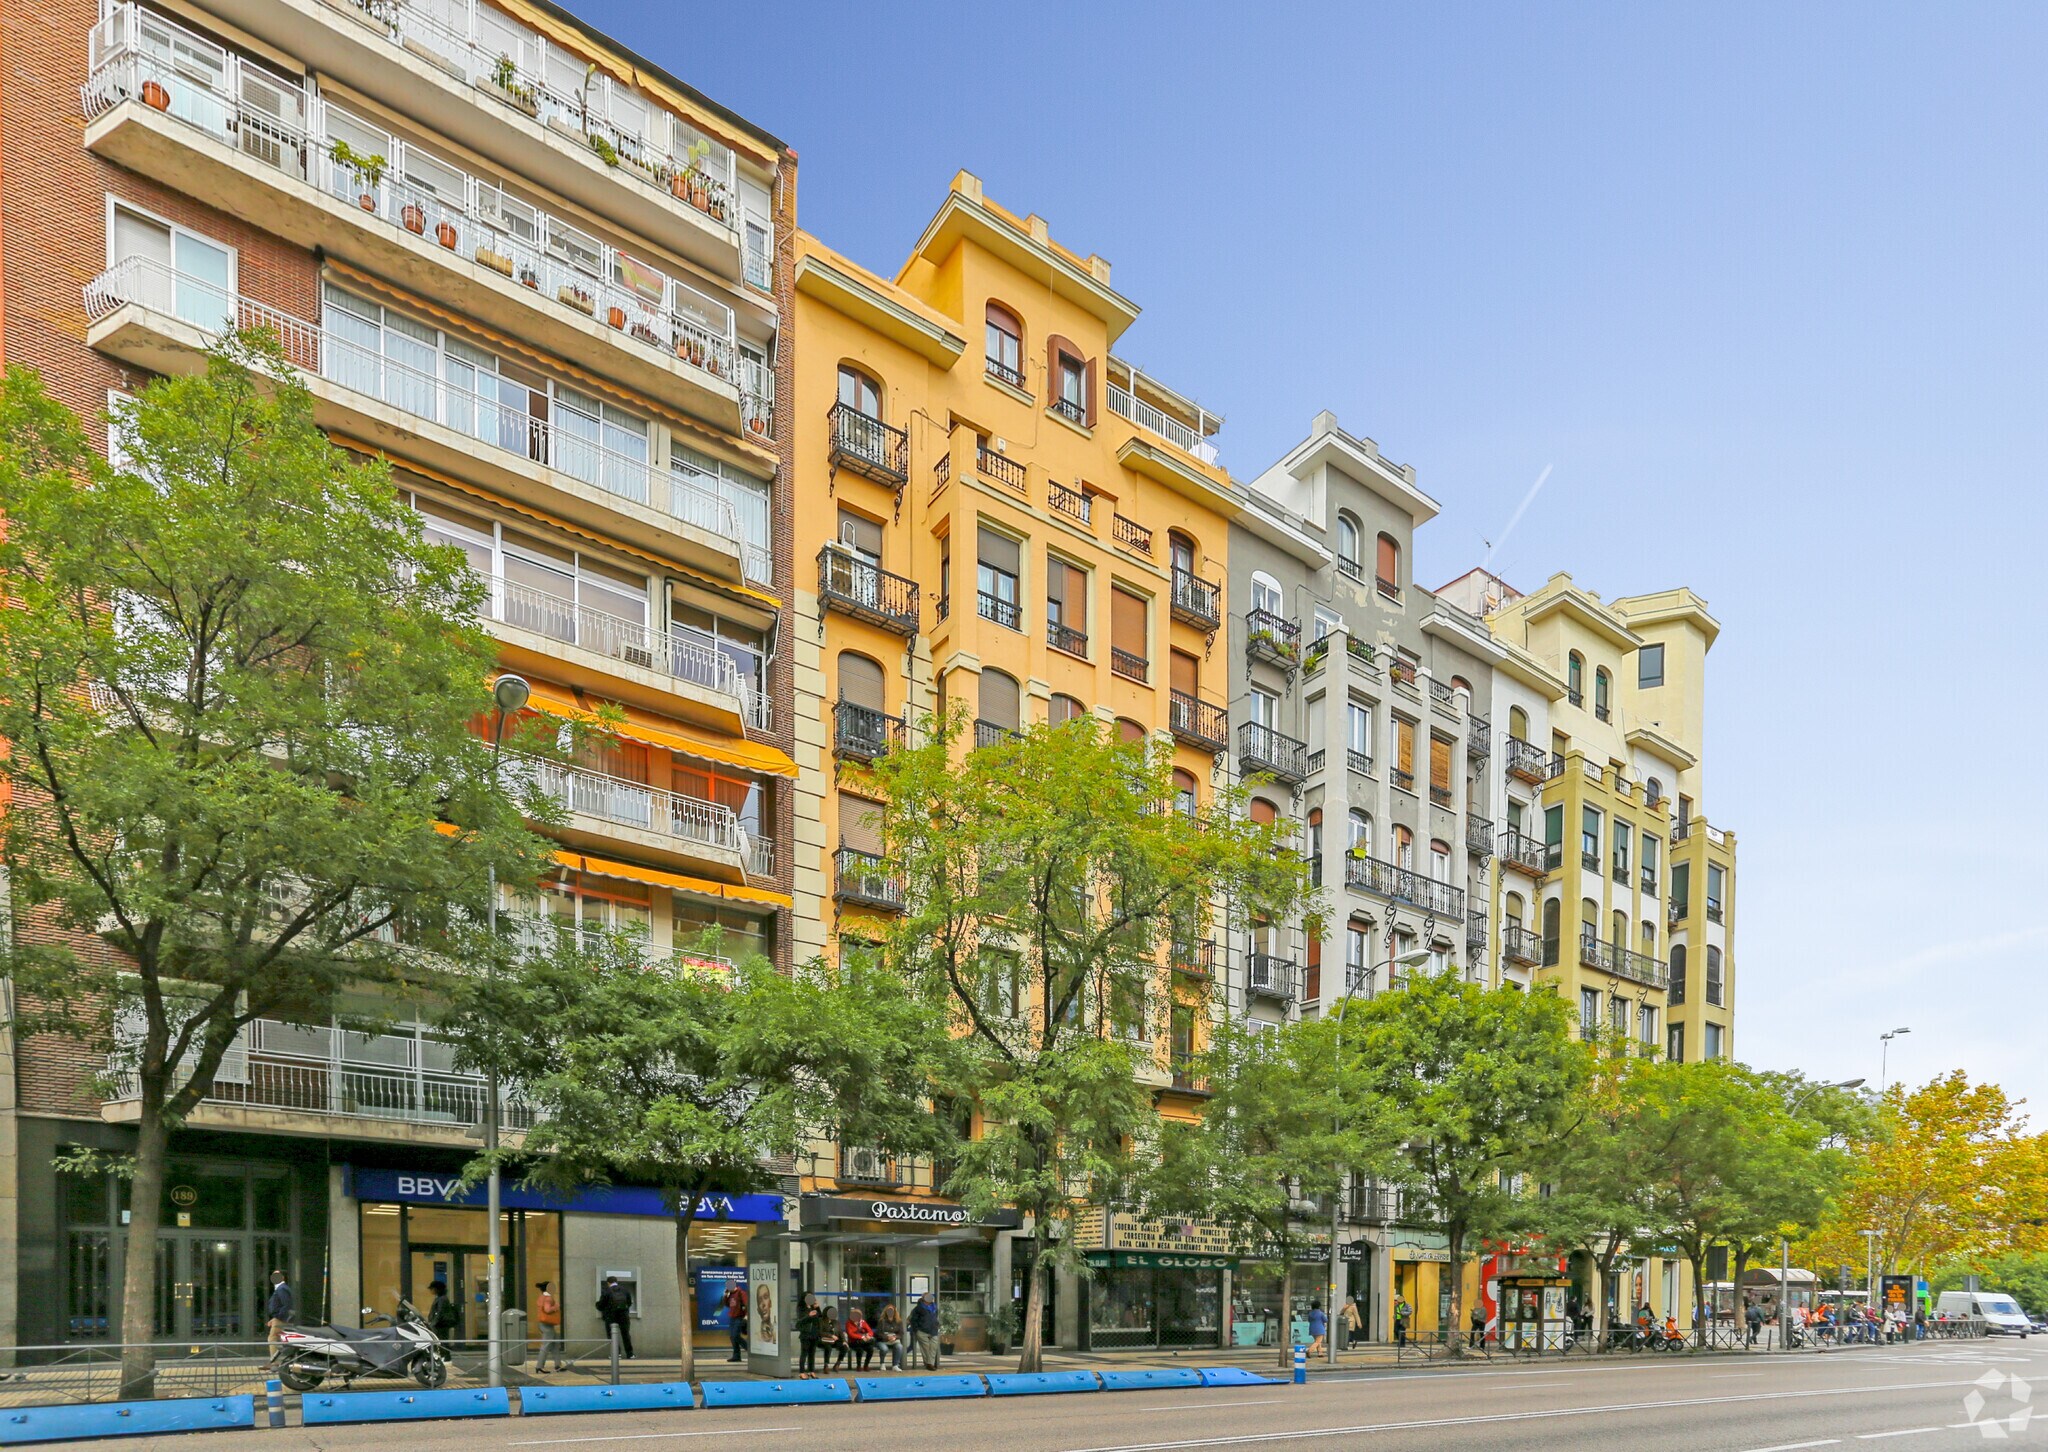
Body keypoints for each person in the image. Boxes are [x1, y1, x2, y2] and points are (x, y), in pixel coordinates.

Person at [596, 1276, 635, 1359]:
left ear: (608, 1283)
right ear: (616, 1282)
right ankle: (630, 1354)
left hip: (611, 1316)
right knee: (626, 1334)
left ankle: (617, 1354)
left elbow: (601, 1305)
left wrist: (597, 1305)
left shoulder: (606, 1291)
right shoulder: (625, 1290)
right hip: (624, 1315)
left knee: (612, 1335)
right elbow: (629, 1302)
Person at [908, 1291, 942, 1370]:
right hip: (922, 1331)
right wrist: (916, 1330)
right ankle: (929, 1364)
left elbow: (935, 1318)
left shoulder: (935, 1307)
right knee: (925, 1348)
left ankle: (929, 1363)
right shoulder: (918, 1308)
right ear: (923, 1299)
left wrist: (936, 1325)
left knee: (933, 1347)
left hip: (933, 1330)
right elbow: (913, 1320)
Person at [535, 1280, 564, 1372]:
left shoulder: (541, 1297)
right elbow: (547, 1310)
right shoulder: (548, 1298)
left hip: (543, 1323)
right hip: (547, 1324)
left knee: (555, 1344)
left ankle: (558, 1365)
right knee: (546, 1345)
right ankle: (539, 1366)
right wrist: (556, 1307)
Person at [795, 1293, 826, 1379]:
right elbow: (800, 1321)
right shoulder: (801, 1308)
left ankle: (811, 1371)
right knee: (804, 1353)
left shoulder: (813, 1308)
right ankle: (801, 1372)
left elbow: (820, 1318)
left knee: (812, 1353)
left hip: (814, 1334)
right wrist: (809, 1315)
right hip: (806, 1334)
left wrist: (817, 1308)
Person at [265, 1269, 295, 1354]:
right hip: (279, 1318)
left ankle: (275, 1363)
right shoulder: (281, 1288)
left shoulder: (282, 1289)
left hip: (281, 1319)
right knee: (277, 1339)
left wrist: (279, 1317)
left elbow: (287, 1305)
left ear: (282, 1277)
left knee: (273, 1338)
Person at [722, 1280, 750, 1363]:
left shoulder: (741, 1293)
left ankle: (749, 1349)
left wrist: (746, 1315)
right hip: (732, 1317)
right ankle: (736, 1356)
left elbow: (747, 1304)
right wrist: (726, 1296)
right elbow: (727, 1304)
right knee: (732, 1337)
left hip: (740, 1317)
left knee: (735, 1336)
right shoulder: (730, 1294)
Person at [427, 1279, 462, 1343]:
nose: (431, 1291)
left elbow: (440, 1312)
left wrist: (433, 1323)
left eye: (432, 1289)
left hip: (441, 1324)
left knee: (441, 1340)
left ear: (436, 1289)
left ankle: (444, 1352)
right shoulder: (440, 1298)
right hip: (440, 1324)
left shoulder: (442, 1299)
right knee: (441, 1340)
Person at [876, 1301, 906, 1371]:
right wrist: (887, 1337)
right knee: (884, 1349)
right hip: (883, 1340)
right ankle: (882, 1363)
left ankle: (895, 1365)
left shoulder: (898, 1321)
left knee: (899, 1346)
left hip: (894, 1340)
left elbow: (901, 1333)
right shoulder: (881, 1321)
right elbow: (878, 1333)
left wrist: (895, 1337)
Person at [845, 1305, 875, 1370]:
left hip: (864, 1341)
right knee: (860, 1350)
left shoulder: (862, 1322)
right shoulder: (848, 1323)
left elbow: (870, 1331)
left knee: (871, 1349)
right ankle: (859, 1366)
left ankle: (866, 1365)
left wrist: (868, 1336)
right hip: (853, 1342)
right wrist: (862, 1337)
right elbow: (851, 1334)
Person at [818, 1304, 845, 1370]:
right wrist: (831, 1335)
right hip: (824, 1340)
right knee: (828, 1347)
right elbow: (819, 1332)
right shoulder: (821, 1321)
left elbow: (840, 1332)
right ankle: (826, 1365)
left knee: (845, 1347)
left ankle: (837, 1363)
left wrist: (844, 1341)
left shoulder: (836, 1322)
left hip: (834, 1341)